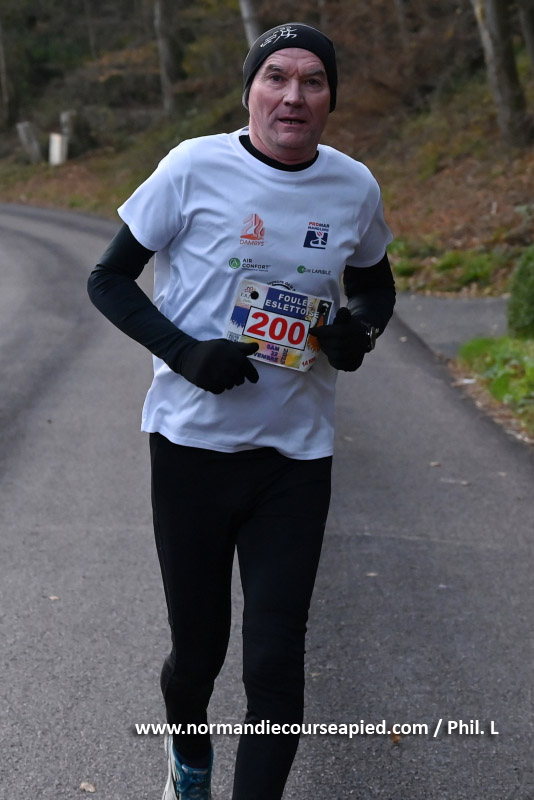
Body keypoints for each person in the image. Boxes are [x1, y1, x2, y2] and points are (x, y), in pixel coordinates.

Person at [88, 21, 395, 800]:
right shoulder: (193, 167)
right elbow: (108, 279)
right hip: (191, 449)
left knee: (274, 662)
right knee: (198, 658)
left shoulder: (353, 186)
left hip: (294, 457)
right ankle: (188, 761)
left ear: (330, 98)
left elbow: (373, 285)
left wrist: (359, 332)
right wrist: (184, 352)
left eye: (313, 81)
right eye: (276, 78)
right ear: (251, 91)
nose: (294, 96)